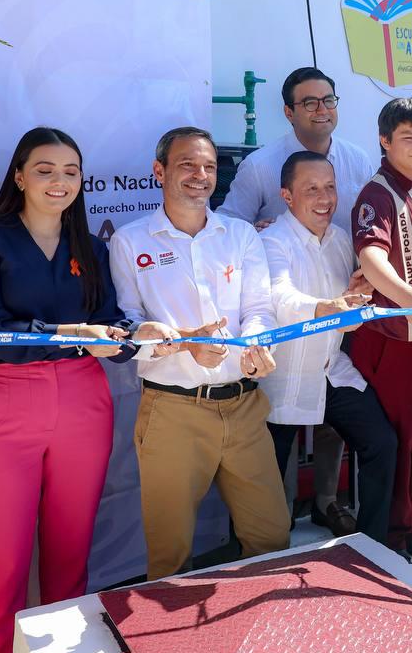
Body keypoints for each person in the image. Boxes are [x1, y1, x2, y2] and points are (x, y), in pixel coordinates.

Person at [0, 127, 160, 653]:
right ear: (19, 177)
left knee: (70, 555)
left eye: (70, 172)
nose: (58, 181)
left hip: (84, 402)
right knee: (1, 563)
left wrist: (139, 336)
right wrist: (73, 334)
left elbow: (110, 325)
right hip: (7, 404)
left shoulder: (90, 246)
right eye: (44, 170)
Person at [110, 126, 290, 581]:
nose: (201, 175)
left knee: (271, 539)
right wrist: (185, 344)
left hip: (245, 406)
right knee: (169, 557)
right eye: (187, 164)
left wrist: (257, 342)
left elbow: (259, 309)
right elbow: (127, 328)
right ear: (160, 171)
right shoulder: (130, 241)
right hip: (172, 411)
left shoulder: (241, 235)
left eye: (209, 166)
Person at [219, 66, 377, 537]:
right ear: (289, 112)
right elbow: (228, 225)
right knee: (280, 421)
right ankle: (279, 518)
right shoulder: (261, 165)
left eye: (328, 100)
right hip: (285, 310)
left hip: (342, 301)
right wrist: (256, 232)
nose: (321, 110)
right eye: (309, 102)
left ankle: (327, 501)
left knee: (332, 416)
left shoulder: (358, 160)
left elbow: (369, 226)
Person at [259, 151, 398, 547]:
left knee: (381, 442)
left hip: (331, 369)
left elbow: (351, 308)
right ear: (287, 196)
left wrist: (356, 296)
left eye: (330, 187)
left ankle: (374, 546)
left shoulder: (341, 240)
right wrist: (327, 307)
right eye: (312, 189)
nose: (324, 198)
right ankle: (267, 557)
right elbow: (280, 296)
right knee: (266, 481)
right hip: (281, 378)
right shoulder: (270, 241)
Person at [349, 98, 412, 561]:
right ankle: (389, 539)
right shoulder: (377, 194)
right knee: (398, 438)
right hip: (391, 338)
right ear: (384, 141)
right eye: (408, 138)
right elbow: (371, 258)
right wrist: (410, 297)